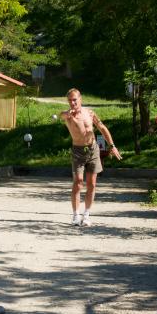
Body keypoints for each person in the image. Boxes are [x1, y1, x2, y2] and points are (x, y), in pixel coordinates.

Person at [59, 88, 122, 226]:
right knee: (78, 182)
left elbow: (102, 128)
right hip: (77, 151)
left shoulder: (90, 113)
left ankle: (86, 214)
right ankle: (76, 215)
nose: (72, 103)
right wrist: (67, 114)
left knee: (92, 184)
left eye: (75, 100)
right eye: (70, 100)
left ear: (80, 99)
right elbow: (61, 116)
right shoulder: (68, 115)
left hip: (93, 149)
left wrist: (112, 146)